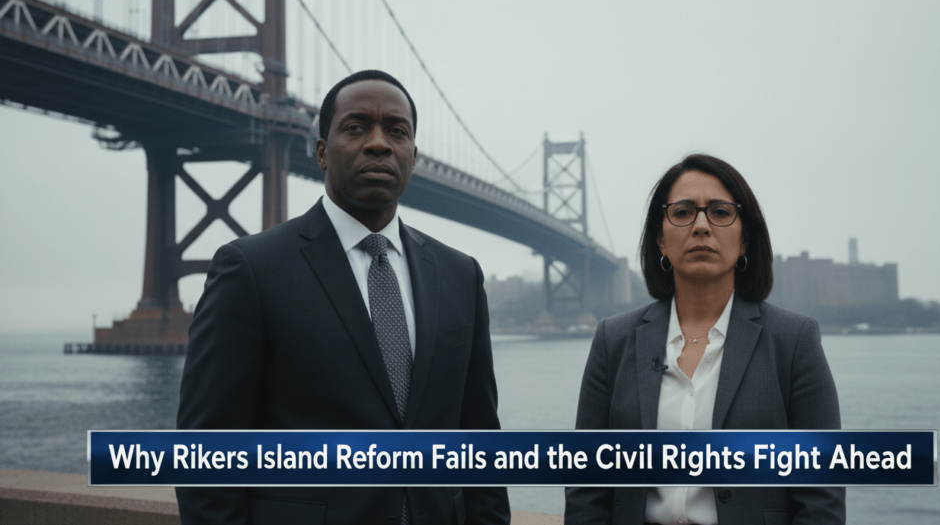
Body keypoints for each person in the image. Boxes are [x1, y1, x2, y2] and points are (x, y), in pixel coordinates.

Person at [176, 69, 510, 525]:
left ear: (413, 156)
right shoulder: (250, 270)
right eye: (356, 128)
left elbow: (480, 439)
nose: (379, 143)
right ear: (321, 153)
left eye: (397, 131)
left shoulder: (460, 275)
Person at [565, 153, 844, 525]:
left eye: (720, 212)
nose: (701, 226)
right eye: (682, 212)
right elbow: (586, 485)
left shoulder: (794, 341)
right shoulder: (612, 340)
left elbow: (821, 495)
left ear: (744, 239)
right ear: (661, 241)